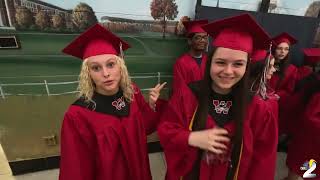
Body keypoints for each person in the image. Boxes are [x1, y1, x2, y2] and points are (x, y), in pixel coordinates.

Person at [158, 13, 278, 180]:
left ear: (247, 66)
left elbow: (263, 162)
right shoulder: (187, 95)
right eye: (220, 62)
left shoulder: (258, 107)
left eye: (238, 64)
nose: (228, 71)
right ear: (210, 62)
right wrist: (190, 137)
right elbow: (166, 130)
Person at [59, 23, 167, 180]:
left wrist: (151, 104)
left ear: (120, 66)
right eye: (96, 68)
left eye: (111, 64)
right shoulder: (77, 115)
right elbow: (76, 169)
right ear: (87, 73)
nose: (106, 73)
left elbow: (145, 127)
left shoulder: (131, 91)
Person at [282, 48, 320, 180]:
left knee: (301, 169)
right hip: (311, 142)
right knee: (304, 170)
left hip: (306, 139)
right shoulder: (316, 85)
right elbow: (311, 117)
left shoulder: (312, 79)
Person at [172, 19, 209, 94]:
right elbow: (179, 89)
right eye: (198, 37)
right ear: (189, 41)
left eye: (205, 37)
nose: (202, 40)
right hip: (189, 102)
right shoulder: (181, 63)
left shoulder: (209, 60)